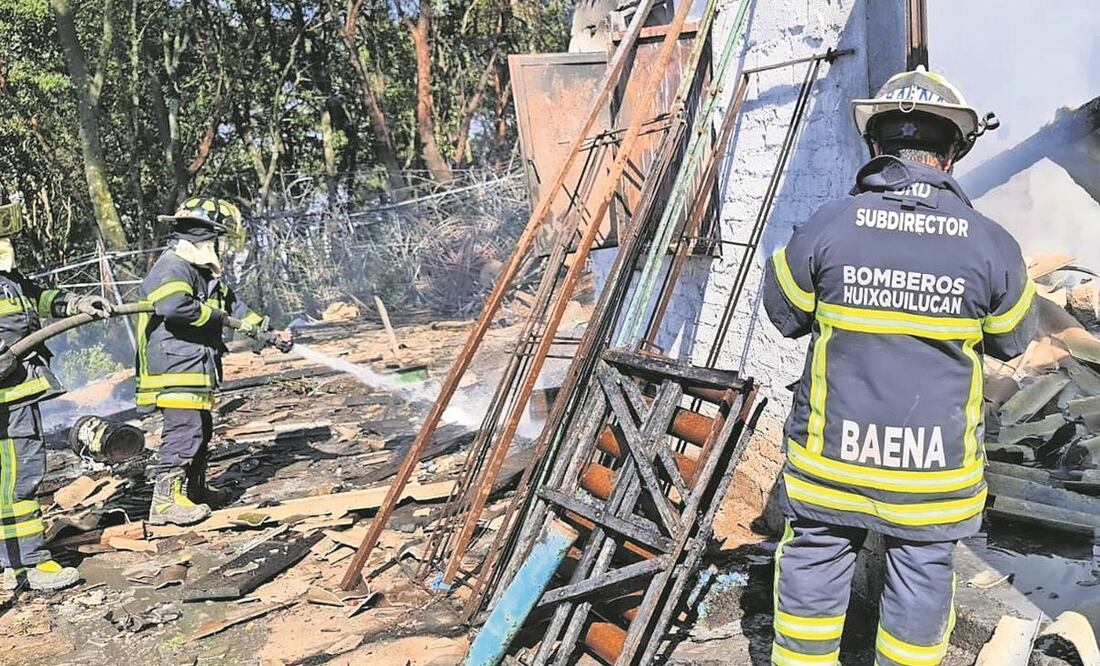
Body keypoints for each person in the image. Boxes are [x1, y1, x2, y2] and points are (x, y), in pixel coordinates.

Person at [763, 67, 1037, 666]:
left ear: (877, 146)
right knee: (922, 577)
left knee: (813, 561)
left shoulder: (828, 225)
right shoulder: (992, 244)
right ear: (950, 152)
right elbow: (1013, 340)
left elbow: (784, 313)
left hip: (830, 463)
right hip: (932, 477)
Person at [137, 196, 289, 526]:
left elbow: (235, 309)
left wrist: (268, 332)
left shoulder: (203, 272)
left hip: (195, 366)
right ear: (200, 234)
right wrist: (218, 318)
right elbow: (174, 306)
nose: (214, 243)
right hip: (175, 367)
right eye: (212, 236)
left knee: (201, 431)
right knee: (184, 432)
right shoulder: (173, 265)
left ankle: (194, 490)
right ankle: (164, 503)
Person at [0, 196, 113, 591]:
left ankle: (15, 562)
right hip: (6, 402)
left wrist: (77, 302)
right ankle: (28, 563)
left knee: (16, 478)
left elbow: (38, 296)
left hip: (18, 394)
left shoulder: (7, 279)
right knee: (19, 480)